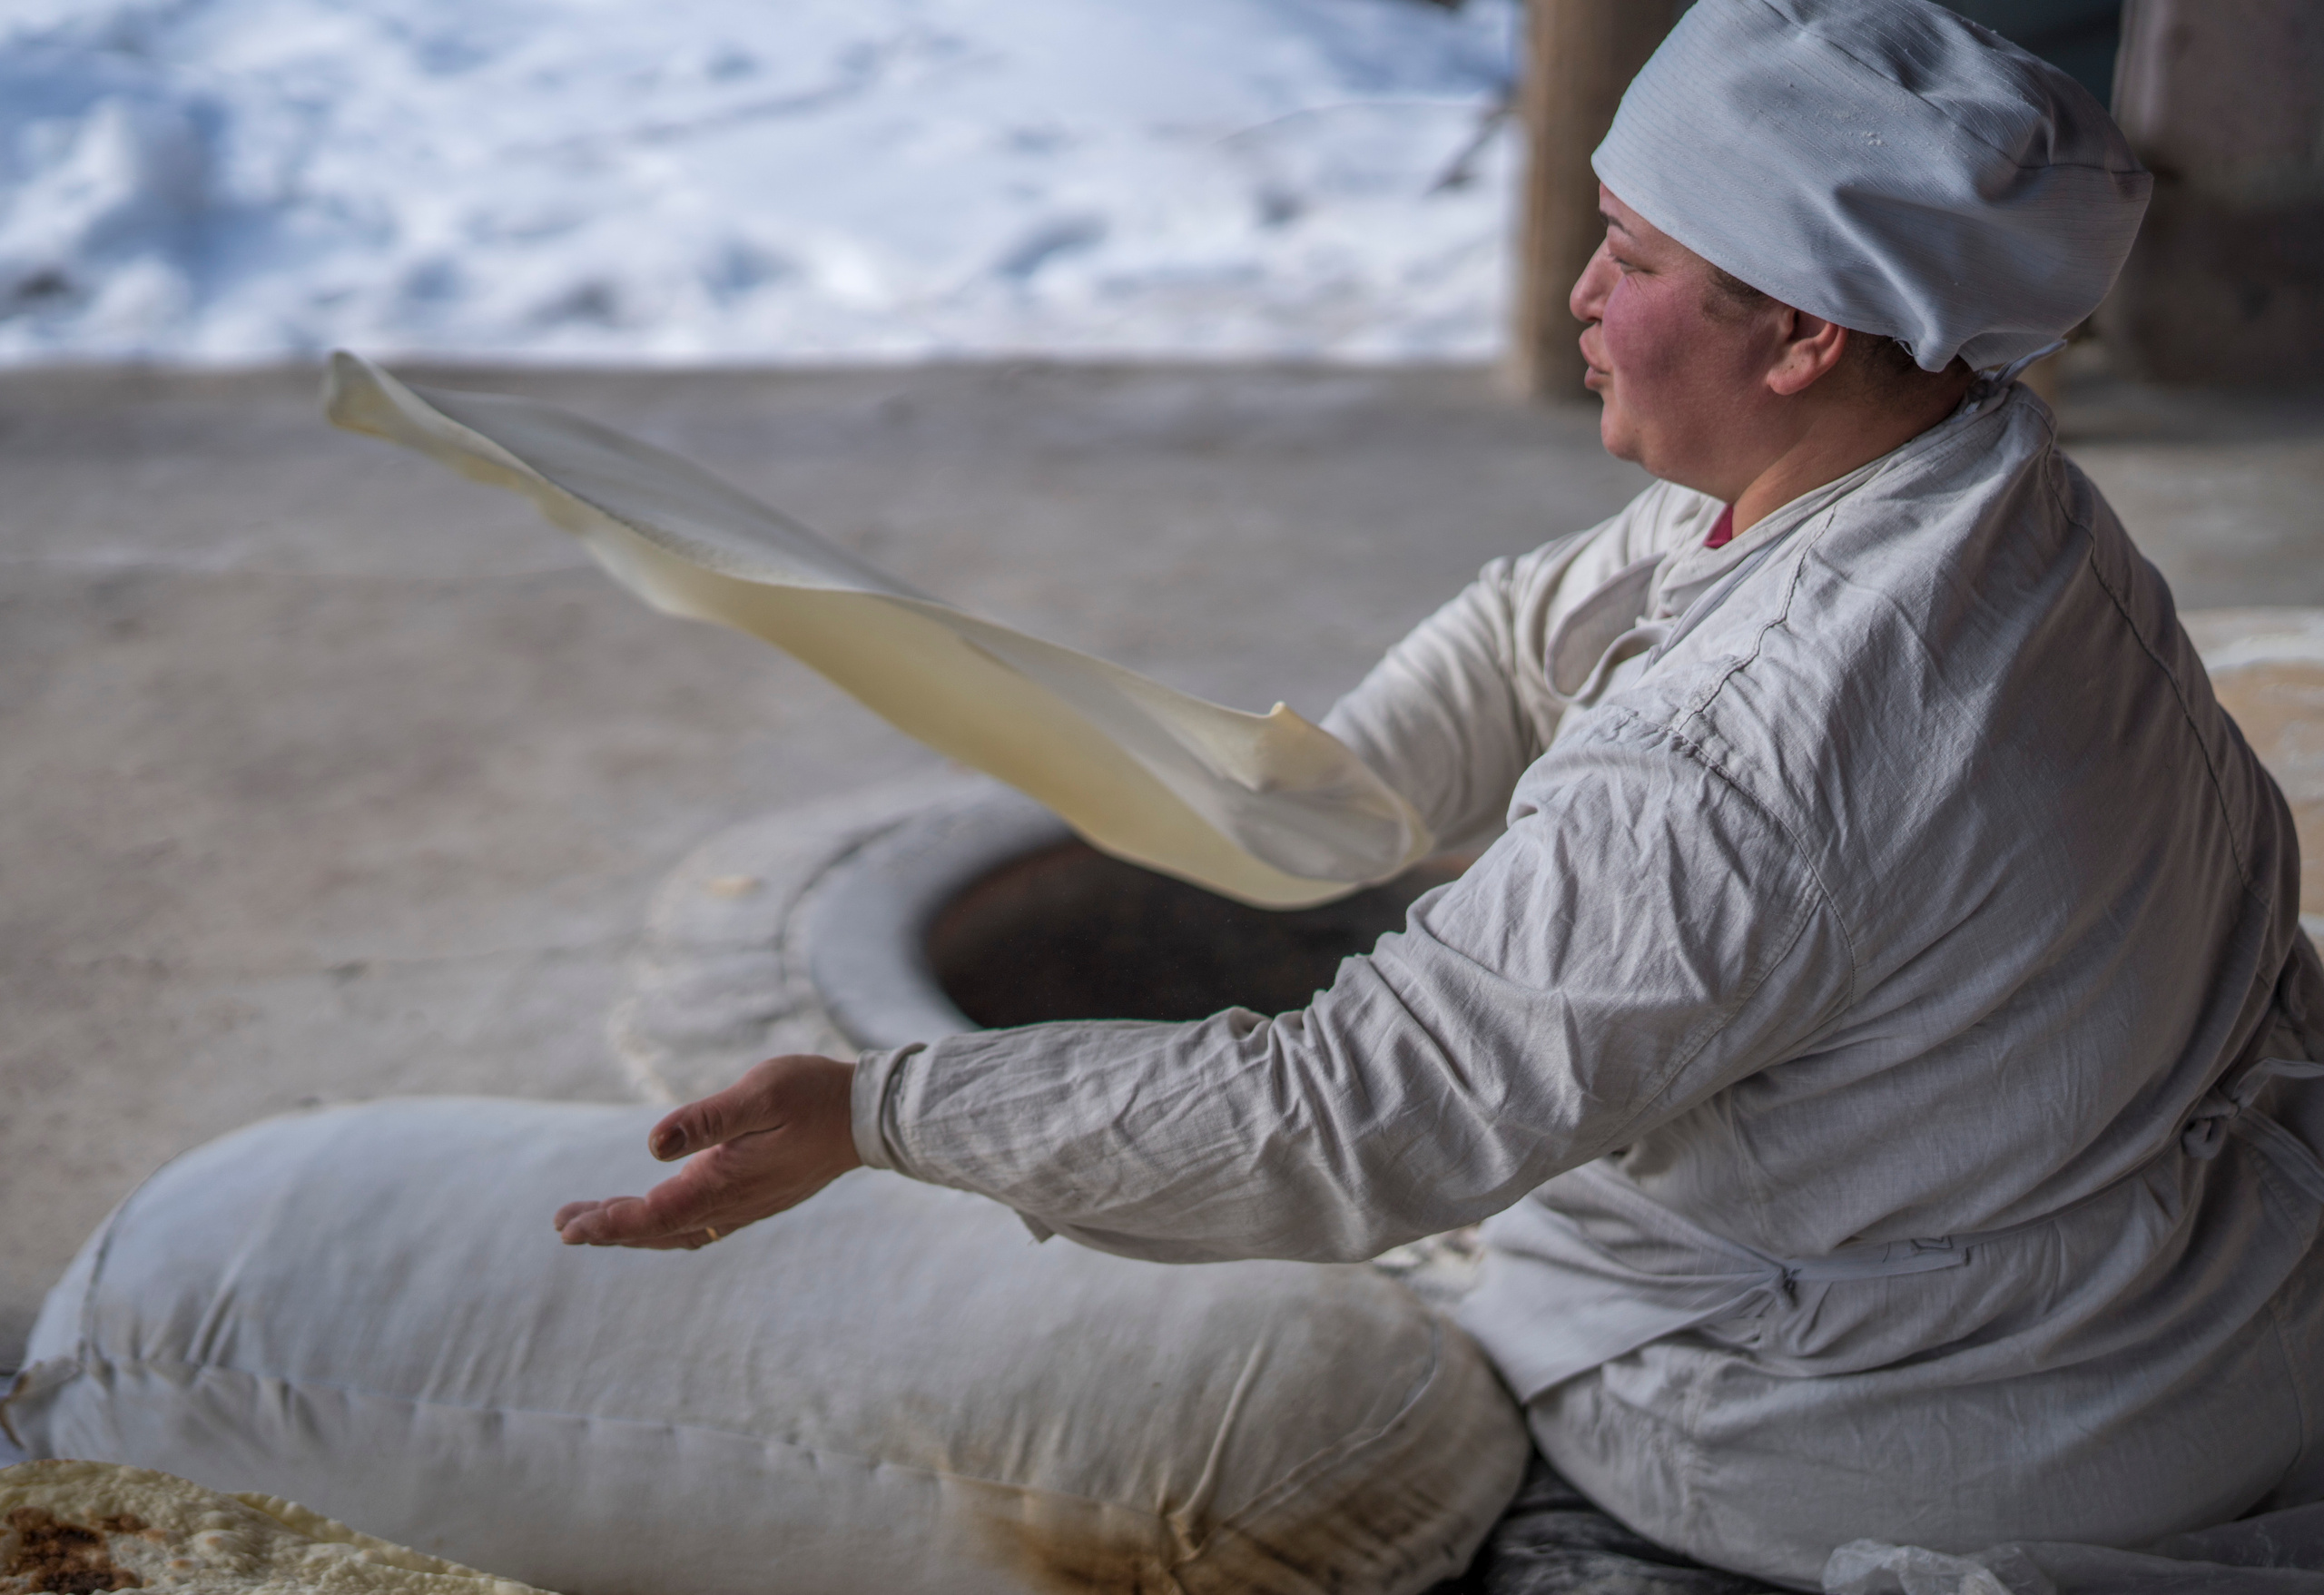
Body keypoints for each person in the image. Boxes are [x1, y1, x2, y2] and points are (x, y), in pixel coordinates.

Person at [551, 0, 2324, 1587]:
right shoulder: (1962, 482)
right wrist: (1333, 791)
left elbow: (1346, 1126)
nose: (1577, 287)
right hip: (2185, 1311)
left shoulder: (1740, 752)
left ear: (1792, 335)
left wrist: (882, 1116)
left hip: (1913, 1436)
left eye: (1627, 254)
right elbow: (1546, 611)